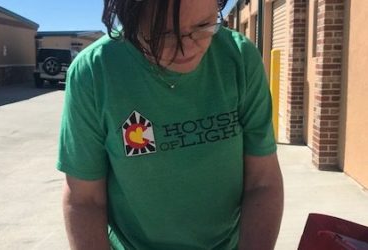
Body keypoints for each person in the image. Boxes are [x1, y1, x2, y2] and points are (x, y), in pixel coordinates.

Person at [57, 0, 284, 249]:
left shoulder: (239, 58)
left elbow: (262, 182)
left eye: (203, 25)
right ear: (130, 22)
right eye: (163, 34)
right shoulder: (94, 72)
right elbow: (84, 199)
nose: (186, 49)